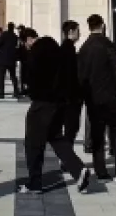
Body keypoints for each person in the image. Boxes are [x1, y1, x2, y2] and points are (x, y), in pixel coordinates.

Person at [19, 30, 92, 195]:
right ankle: (79, 170)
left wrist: (31, 91)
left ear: (29, 40)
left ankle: (35, 183)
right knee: (56, 138)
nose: (26, 47)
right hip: (59, 102)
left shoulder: (37, 52)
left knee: (33, 143)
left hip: (42, 102)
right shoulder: (55, 47)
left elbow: (31, 76)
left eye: (25, 44)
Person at [77, 14, 116, 183]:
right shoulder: (108, 44)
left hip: (93, 99)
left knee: (97, 135)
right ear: (102, 25)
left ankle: (101, 172)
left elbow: (81, 76)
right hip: (110, 96)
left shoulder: (84, 48)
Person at [58, 21, 84, 146]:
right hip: (70, 97)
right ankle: (67, 155)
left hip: (68, 96)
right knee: (71, 128)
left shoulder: (67, 48)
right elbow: (70, 75)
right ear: (71, 32)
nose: (79, 34)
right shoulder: (68, 49)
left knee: (71, 129)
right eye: (78, 31)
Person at [0, 22, 21, 99]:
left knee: (1, 77)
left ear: (8, 27)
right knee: (13, 76)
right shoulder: (15, 37)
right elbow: (17, 48)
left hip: (3, 59)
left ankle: (1, 93)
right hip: (12, 60)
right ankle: (16, 92)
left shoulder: (4, 35)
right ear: (13, 28)